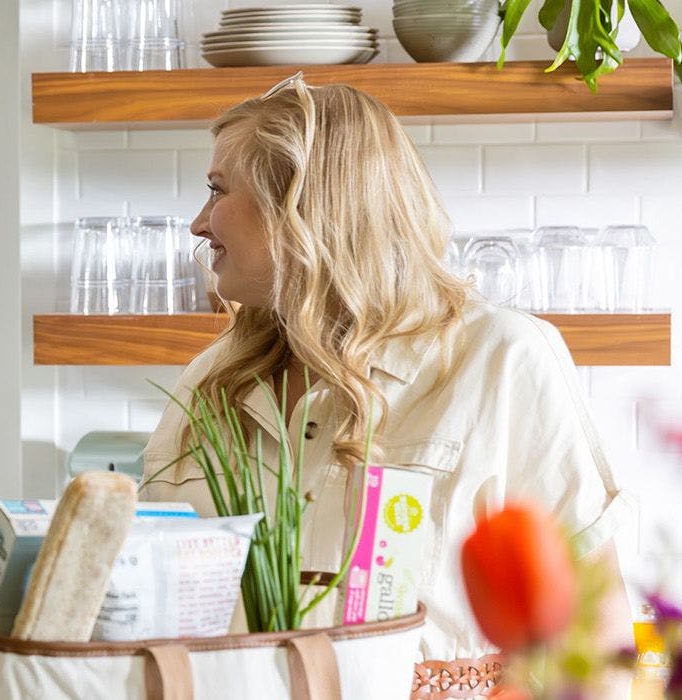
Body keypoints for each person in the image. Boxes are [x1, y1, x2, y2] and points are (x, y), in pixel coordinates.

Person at [138, 74, 632, 697]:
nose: (198, 222)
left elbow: (593, 634)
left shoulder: (502, 357)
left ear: (302, 201)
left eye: (217, 191)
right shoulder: (211, 378)